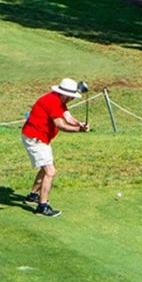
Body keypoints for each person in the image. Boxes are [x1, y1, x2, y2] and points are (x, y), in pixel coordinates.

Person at [20, 78, 88, 217]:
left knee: (46, 168)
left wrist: (79, 124)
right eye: (71, 97)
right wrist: (77, 130)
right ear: (64, 94)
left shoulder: (59, 101)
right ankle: (42, 206)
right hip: (35, 138)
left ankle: (32, 196)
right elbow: (60, 124)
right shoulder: (52, 101)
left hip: (41, 138)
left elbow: (68, 118)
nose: (72, 99)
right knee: (50, 171)